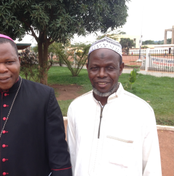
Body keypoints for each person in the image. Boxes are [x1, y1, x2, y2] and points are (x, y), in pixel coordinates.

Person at [0, 34, 72, 176]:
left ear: (19, 61)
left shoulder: (44, 96)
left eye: (9, 62)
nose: (2, 69)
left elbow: (58, 152)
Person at [67, 37, 162, 176]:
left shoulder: (141, 112)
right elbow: (73, 157)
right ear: (87, 68)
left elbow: (151, 167)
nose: (101, 74)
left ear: (121, 68)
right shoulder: (76, 108)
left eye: (109, 68)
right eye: (95, 68)